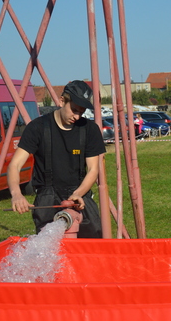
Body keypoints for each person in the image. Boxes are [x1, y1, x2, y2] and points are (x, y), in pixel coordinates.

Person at [7, 80, 105, 238]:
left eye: (81, 112)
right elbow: (15, 165)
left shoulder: (90, 130)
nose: (77, 116)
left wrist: (79, 193)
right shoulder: (37, 128)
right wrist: (17, 194)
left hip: (79, 195)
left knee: (92, 243)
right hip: (47, 197)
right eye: (74, 110)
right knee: (51, 249)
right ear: (61, 101)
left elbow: (93, 169)